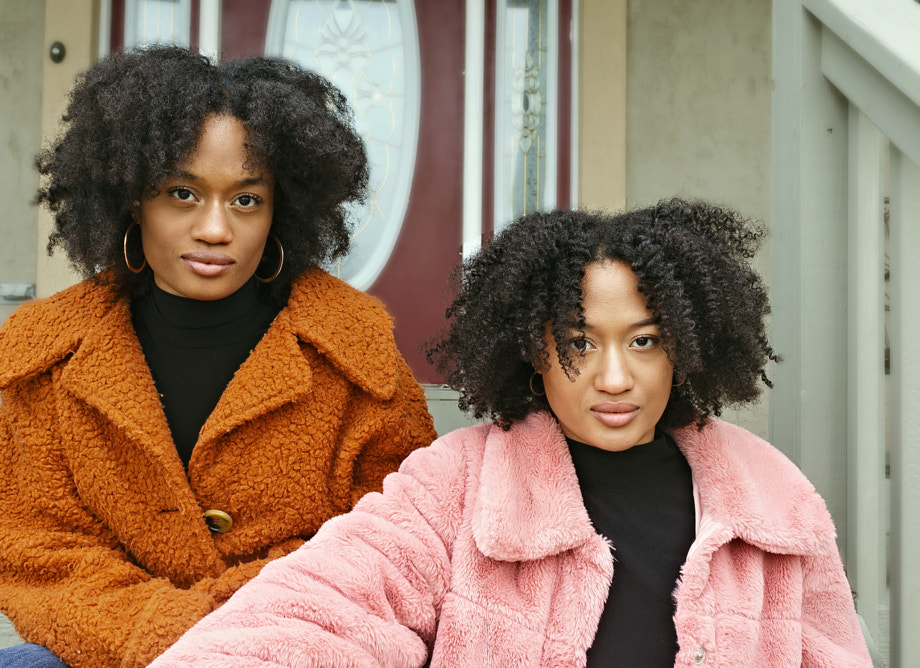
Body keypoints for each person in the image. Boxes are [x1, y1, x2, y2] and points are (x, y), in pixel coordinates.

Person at [148, 200, 872, 667]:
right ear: (531, 348)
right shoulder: (456, 487)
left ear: (686, 346)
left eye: (645, 342)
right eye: (581, 345)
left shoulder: (773, 505)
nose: (615, 378)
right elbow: (311, 620)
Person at [0, 46, 435, 668]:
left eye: (246, 200)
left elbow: (393, 540)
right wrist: (173, 634)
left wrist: (236, 634)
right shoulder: (49, 356)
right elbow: (35, 549)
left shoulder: (353, 353)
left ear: (280, 208)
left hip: (296, 648)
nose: (216, 229)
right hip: (118, 651)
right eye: (182, 194)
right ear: (134, 199)